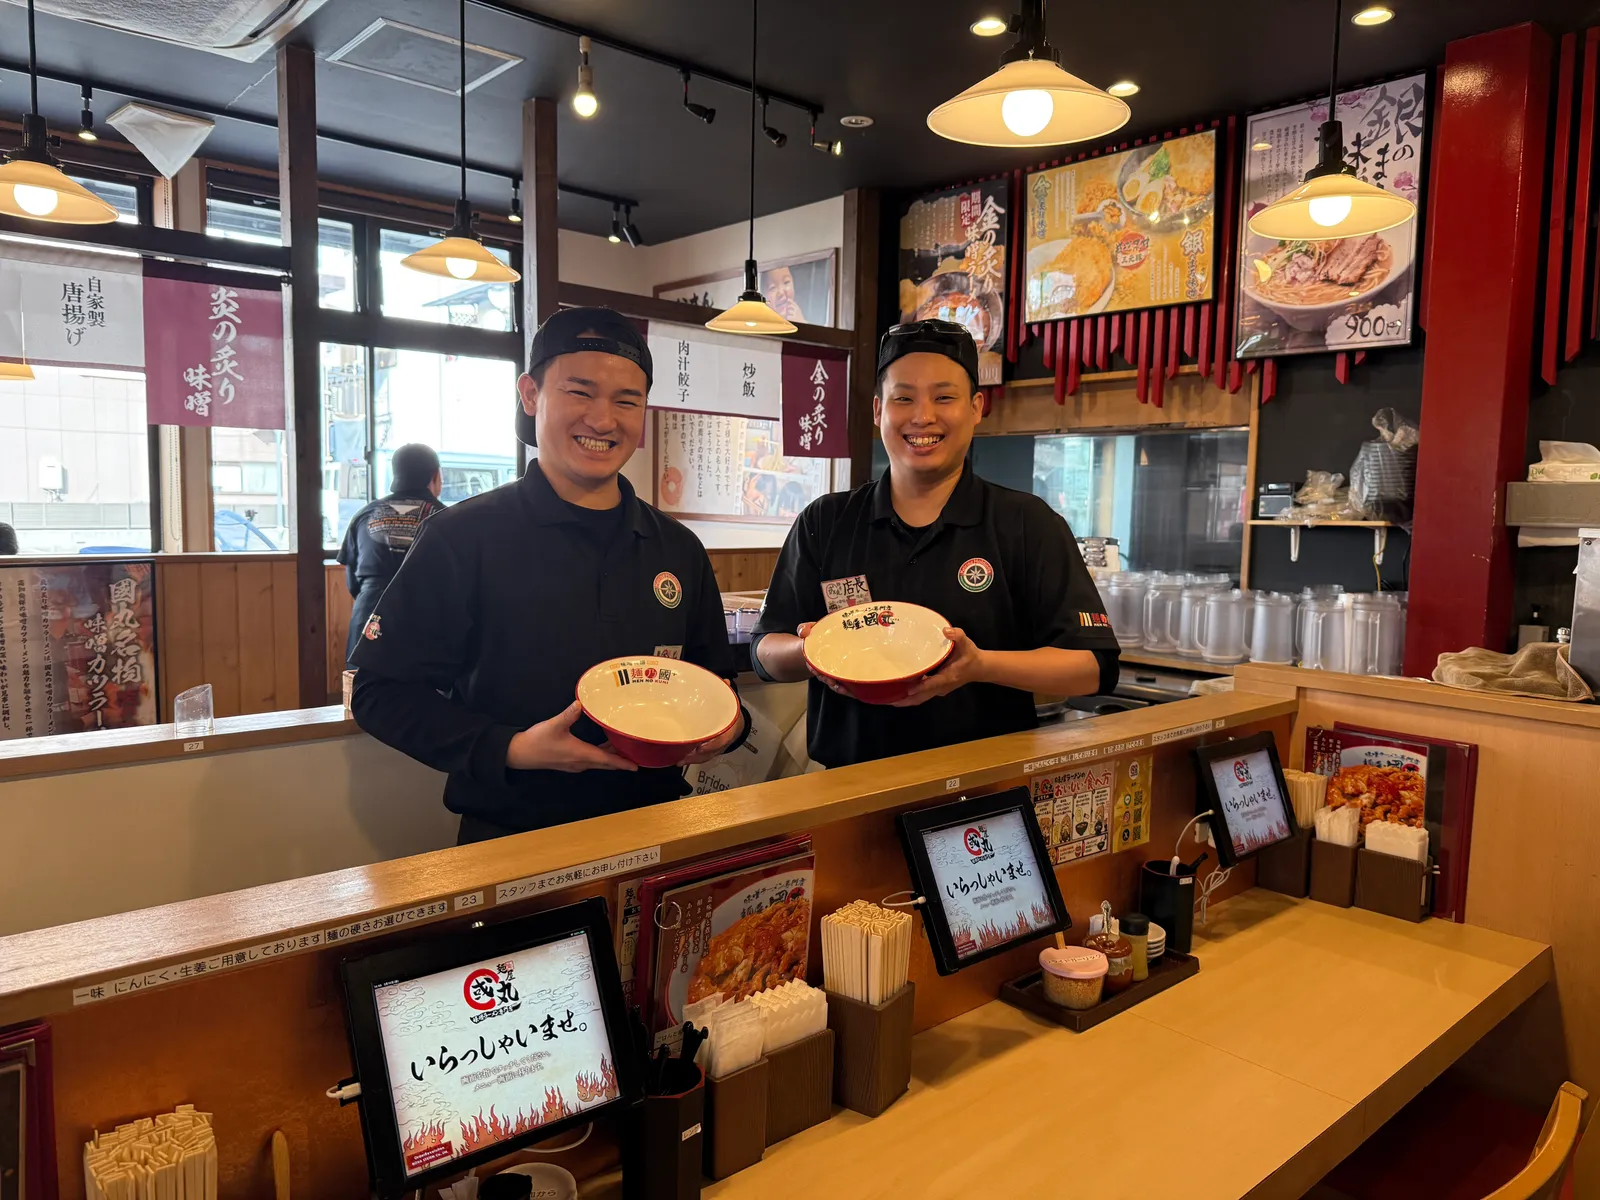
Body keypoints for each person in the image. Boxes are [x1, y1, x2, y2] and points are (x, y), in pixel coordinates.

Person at [350, 307, 749, 844]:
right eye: (580, 392)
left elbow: (717, 686)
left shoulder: (676, 547)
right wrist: (510, 747)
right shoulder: (462, 537)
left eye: (626, 400)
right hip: (512, 838)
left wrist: (728, 729)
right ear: (530, 394)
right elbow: (379, 693)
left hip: (657, 833)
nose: (604, 420)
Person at [751, 318, 1119, 769]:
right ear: (877, 411)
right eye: (903, 397)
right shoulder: (826, 521)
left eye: (944, 397)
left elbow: (1093, 667)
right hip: (846, 790)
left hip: (983, 789)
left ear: (977, 407)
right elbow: (766, 651)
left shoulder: (1027, 523)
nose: (922, 416)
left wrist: (981, 665)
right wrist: (813, 651)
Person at [336, 443, 444, 665]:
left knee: (362, 693)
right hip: (428, 623)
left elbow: (352, 582)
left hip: (368, 619)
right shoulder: (448, 517)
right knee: (424, 697)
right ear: (435, 476)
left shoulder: (365, 514)